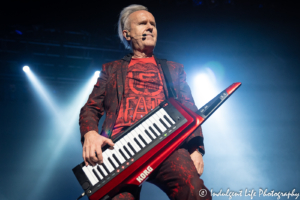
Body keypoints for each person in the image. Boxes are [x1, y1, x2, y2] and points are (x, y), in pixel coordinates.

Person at [79, 4, 212, 200]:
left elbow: (189, 109)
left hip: (167, 144)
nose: (150, 27)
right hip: (119, 149)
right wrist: (90, 133)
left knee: (194, 191)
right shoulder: (112, 69)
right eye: (143, 23)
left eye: (153, 24)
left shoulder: (174, 69)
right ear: (127, 34)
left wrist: (195, 149)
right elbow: (90, 108)